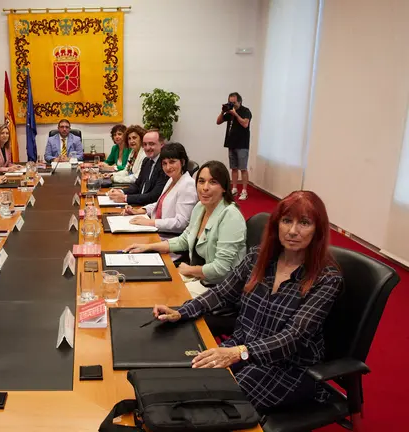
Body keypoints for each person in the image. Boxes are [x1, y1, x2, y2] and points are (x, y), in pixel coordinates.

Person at [149, 191, 343, 413]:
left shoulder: (326, 278)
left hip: (287, 368)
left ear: (317, 230)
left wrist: (239, 352)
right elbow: (222, 293)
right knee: (180, 382)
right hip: (242, 349)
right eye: (287, 220)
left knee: (208, 407)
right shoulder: (258, 257)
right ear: (276, 224)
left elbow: (293, 337)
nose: (292, 231)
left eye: (304, 223)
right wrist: (181, 312)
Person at [124, 161, 246, 285]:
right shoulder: (200, 207)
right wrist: (148, 247)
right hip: (197, 277)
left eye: (213, 182)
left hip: (217, 287)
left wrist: (190, 270)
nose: (205, 187)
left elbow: (221, 269)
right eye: (201, 181)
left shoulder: (231, 216)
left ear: (224, 187)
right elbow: (184, 240)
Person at [123, 142, 197, 234]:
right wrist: (140, 210)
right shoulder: (171, 179)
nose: (168, 167)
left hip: (168, 238)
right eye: (164, 163)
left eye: (172, 162)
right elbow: (161, 204)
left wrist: (151, 222)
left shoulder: (188, 185)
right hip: (157, 230)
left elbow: (181, 223)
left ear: (182, 162)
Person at [107, 130, 168, 206]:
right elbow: (137, 185)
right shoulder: (147, 161)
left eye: (151, 144)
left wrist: (125, 198)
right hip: (140, 204)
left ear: (162, 144)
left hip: (149, 209)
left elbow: (154, 196)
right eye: (145, 144)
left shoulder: (165, 164)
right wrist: (120, 191)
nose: (147, 148)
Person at [217, 92, 252, 201]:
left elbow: (245, 124)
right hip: (231, 143)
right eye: (230, 102)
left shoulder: (246, 111)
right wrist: (223, 111)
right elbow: (218, 121)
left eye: (234, 102)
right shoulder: (229, 112)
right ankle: (235, 188)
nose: (232, 104)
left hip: (242, 144)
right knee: (234, 168)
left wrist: (236, 114)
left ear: (239, 102)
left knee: (243, 168)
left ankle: (244, 191)